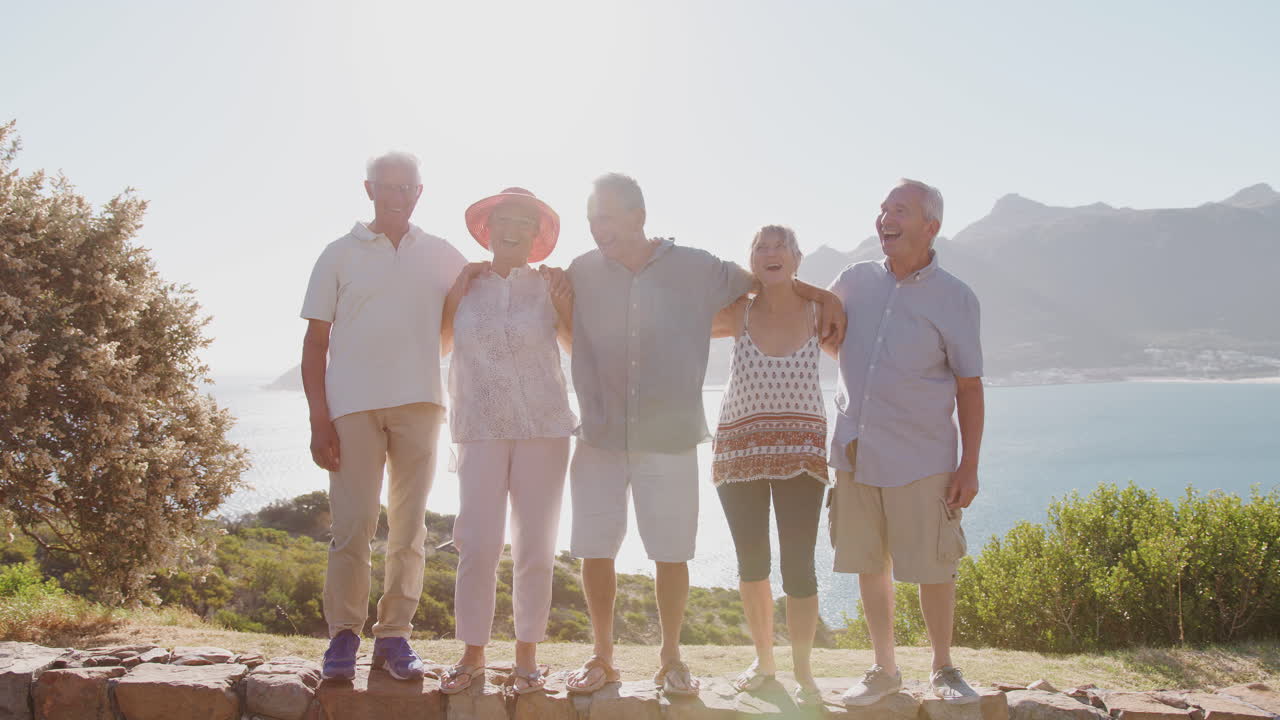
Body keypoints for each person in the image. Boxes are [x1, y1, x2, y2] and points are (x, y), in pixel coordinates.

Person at [561, 173, 846, 697]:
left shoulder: (697, 267)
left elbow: (763, 281)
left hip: (669, 435)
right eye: (591, 217)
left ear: (636, 215)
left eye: (606, 216)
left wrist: (818, 292)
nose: (596, 227)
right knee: (594, 550)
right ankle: (602, 656)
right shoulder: (581, 271)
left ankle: (671, 658)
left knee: (673, 553)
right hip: (599, 436)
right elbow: (562, 319)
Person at [300, 151, 466, 681]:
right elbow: (315, 342)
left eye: (406, 188)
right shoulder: (337, 254)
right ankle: (343, 637)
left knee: (409, 530)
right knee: (352, 528)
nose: (396, 196)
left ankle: (395, 636)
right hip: (351, 407)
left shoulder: (441, 255)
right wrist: (318, 421)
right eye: (387, 187)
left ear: (419, 193)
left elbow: (478, 305)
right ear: (368, 189)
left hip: (421, 403)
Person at [824, 179, 984, 705]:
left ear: (930, 227)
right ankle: (883, 669)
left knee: (934, 568)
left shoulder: (956, 297)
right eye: (883, 209)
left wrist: (969, 466)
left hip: (923, 456)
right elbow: (829, 335)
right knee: (870, 563)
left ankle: (943, 668)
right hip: (854, 450)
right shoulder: (852, 279)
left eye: (900, 211)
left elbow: (968, 384)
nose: (885, 219)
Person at [437, 188, 575, 696]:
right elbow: (440, 343)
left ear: (537, 234)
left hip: (544, 427)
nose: (513, 227)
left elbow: (576, 346)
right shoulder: (466, 285)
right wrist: (454, 293)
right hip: (479, 429)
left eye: (525, 221)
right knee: (477, 543)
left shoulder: (551, 285)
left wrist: (565, 306)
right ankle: (472, 653)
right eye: (504, 219)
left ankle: (527, 658)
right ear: (487, 228)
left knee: (535, 548)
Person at [710, 225, 829, 707]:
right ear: (753, 261)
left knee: (800, 569)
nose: (772, 253)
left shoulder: (822, 312)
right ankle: (764, 662)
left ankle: (803, 671)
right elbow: (684, 317)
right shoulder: (739, 312)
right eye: (762, 247)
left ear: (798, 259)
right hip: (739, 451)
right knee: (752, 565)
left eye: (781, 246)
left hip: (802, 452)